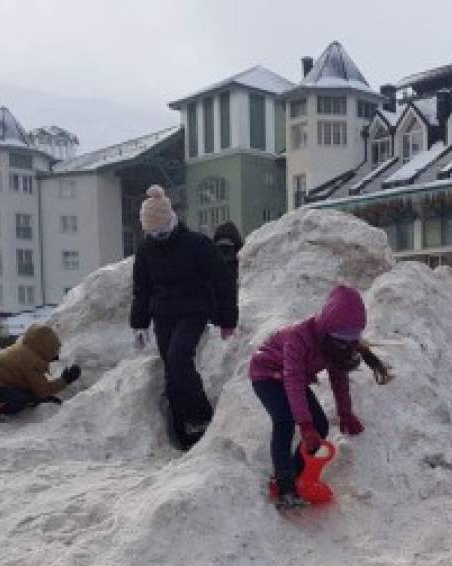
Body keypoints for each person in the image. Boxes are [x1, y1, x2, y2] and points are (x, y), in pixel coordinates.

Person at [249, 285, 387, 511]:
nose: (345, 346)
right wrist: (304, 424)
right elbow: (292, 381)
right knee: (284, 421)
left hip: (294, 377)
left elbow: (339, 380)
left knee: (320, 425)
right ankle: (284, 487)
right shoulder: (299, 337)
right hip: (266, 374)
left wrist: (346, 413)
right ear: (327, 331)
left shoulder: (335, 347)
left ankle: (296, 474)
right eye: (341, 340)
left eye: (349, 341)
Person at [131, 185, 237, 451]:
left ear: (171, 220)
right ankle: (183, 430)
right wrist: (140, 324)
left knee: (179, 357)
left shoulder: (197, 244)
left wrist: (227, 319)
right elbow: (141, 287)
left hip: (193, 310)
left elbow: (222, 280)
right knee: (170, 372)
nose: (158, 236)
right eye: (152, 232)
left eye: (161, 230)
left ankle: (202, 417)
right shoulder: (146, 250)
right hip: (163, 314)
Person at [0, 324, 80, 420]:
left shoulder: (24, 349)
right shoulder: (32, 361)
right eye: (55, 349)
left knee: (26, 394)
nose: (56, 354)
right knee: (20, 399)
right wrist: (66, 379)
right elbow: (43, 391)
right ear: (47, 347)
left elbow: (28, 383)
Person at [213, 221, 242, 291]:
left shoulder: (243, 262)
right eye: (221, 247)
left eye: (227, 246)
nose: (224, 250)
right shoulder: (212, 263)